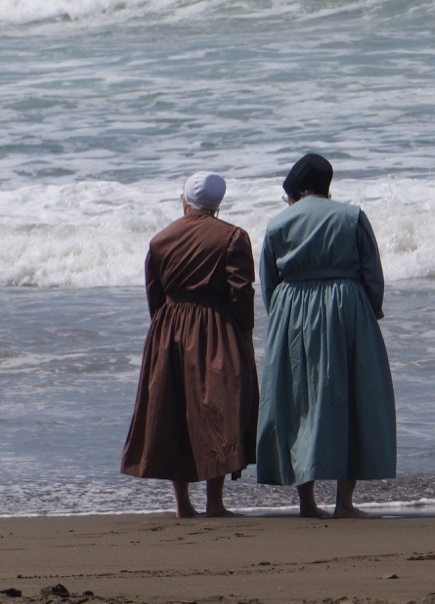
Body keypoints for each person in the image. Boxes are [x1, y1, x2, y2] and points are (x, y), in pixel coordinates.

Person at [256, 153, 396, 518]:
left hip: (293, 310)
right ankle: (345, 504)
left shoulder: (277, 223)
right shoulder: (351, 216)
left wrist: (282, 319)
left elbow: (269, 283)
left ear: (296, 189)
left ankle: (307, 502)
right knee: (350, 396)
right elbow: (372, 273)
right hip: (346, 306)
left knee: (299, 401)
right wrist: (369, 311)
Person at [121, 172, 259, 518]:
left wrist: (163, 329)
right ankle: (215, 503)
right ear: (218, 204)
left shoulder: (160, 239)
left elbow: (154, 294)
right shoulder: (232, 236)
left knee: (173, 410)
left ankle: (183, 503)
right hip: (215, 327)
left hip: (169, 329)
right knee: (218, 409)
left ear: (185, 201)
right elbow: (241, 293)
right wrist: (245, 332)